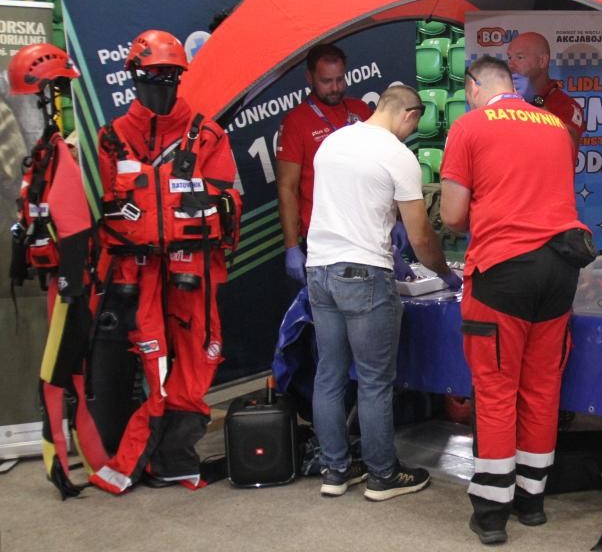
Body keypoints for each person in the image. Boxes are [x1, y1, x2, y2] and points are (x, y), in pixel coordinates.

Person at [440, 55, 593, 545]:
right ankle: (532, 501)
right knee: (542, 386)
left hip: (502, 269)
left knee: (495, 388)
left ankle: (491, 512)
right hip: (561, 266)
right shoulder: (554, 126)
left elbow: (453, 216)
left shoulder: (469, 127)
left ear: (474, 86)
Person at [89, 30, 242, 494]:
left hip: (194, 266)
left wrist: (202, 216)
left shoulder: (207, 134)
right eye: (154, 74)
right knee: (153, 365)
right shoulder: (111, 139)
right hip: (136, 273)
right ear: (135, 77)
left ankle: (174, 458)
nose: (163, 83)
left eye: (171, 75)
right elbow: (107, 209)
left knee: (198, 360)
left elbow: (229, 202)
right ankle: (142, 458)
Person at [306, 83, 462, 500]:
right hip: (364, 273)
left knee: (329, 375)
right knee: (374, 381)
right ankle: (382, 474)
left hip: (319, 268)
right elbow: (421, 235)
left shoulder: (332, 142)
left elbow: (346, 206)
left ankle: (335, 470)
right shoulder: (397, 155)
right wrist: (444, 272)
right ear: (410, 115)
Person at [7, 43, 111, 498]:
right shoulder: (44, 157)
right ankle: (98, 464)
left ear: (47, 96)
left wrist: (70, 290)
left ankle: (60, 469)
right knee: (73, 379)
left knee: (54, 380)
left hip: (70, 290)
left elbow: (75, 231)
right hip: (60, 286)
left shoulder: (61, 161)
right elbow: (36, 221)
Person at [276, 44, 372, 285]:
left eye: (340, 79)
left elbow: (380, 168)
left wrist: (396, 219)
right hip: (323, 239)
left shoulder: (361, 110)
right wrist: (291, 245)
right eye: (326, 81)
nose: (335, 88)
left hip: (365, 231)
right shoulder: (296, 122)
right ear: (310, 77)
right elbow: (287, 187)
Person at [506, 32, 583, 146]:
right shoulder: (504, 99)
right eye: (509, 57)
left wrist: (535, 100)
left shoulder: (565, 105)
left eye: (519, 57)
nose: (511, 64)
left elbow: (568, 144)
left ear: (542, 61)